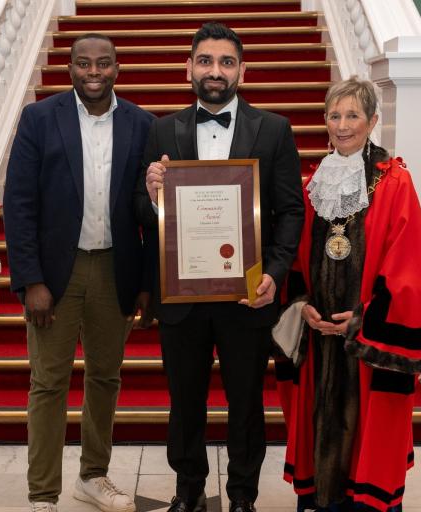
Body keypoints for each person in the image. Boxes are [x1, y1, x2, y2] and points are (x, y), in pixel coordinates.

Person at [136, 22, 304, 512]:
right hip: (181, 296)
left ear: (242, 70)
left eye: (226, 62)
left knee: (246, 405)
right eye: (206, 61)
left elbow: (290, 210)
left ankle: (243, 497)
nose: (216, 71)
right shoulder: (161, 129)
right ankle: (187, 493)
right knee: (184, 403)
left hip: (247, 294)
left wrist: (274, 271)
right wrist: (151, 195)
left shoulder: (273, 129)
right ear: (188, 67)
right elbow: (140, 212)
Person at [275, 77, 421, 512]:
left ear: (373, 121)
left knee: (368, 447)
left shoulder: (394, 183)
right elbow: (297, 260)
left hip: (367, 340)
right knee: (321, 433)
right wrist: (303, 307)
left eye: (353, 115)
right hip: (318, 341)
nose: (342, 125)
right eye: (334, 115)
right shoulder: (314, 183)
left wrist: (361, 319)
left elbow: (407, 268)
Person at [4, 33, 155, 512]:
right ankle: (42, 494)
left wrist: (148, 283)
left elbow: (148, 212)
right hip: (54, 275)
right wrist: (30, 281)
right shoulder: (38, 119)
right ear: (69, 68)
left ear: (117, 68)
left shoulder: (142, 124)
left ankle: (93, 476)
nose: (94, 72)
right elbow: (19, 204)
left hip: (115, 270)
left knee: (106, 379)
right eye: (84, 64)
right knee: (47, 384)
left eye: (104, 64)